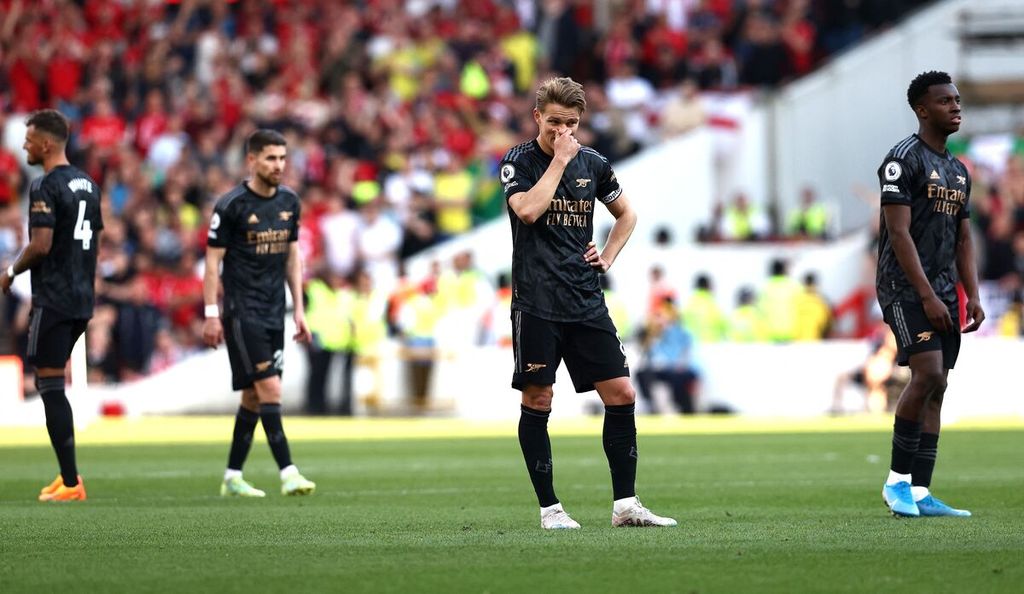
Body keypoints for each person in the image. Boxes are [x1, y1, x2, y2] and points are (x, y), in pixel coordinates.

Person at [500, 77, 676, 530]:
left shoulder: (594, 163)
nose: (563, 131)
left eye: (572, 123)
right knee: (539, 398)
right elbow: (528, 211)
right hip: (537, 301)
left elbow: (627, 213)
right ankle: (550, 509)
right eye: (555, 122)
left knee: (622, 393)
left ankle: (626, 505)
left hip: (584, 299)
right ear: (537, 116)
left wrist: (610, 254)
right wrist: (558, 160)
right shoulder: (518, 161)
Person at [876, 71, 984, 518]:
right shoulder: (902, 160)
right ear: (922, 109)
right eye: (945, 101)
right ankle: (896, 483)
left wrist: (972, 294)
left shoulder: (958, 171)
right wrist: (926, 296)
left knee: (939, 386)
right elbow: (898, 234)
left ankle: (921, 492)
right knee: (927, 375)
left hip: (942, 290)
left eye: (957, 100)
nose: (955, 106)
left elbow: (963, 239)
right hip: (904, 287)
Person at [203, 129, 316, 498]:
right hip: (242, 311)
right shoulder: (231, 205)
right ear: (251, 160)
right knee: (271, 388)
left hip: (273, 311)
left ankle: (232, 476)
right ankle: (289, 473)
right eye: (270, 158)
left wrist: (298, 309)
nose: (278, 165)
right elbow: (211, 263)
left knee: (253, 397)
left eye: (283, 158)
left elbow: (292, 257)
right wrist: (210, 313)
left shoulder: (290, 201)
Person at [1, 109, 104, 502]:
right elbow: (93, 239)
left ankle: (72, 481)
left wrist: (10, 272)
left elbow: (41, 245)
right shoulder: (89, 184)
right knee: (52, 382)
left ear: (46, 143)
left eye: (28, 139)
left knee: (49, 384)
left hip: (56, 296)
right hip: (81, 296)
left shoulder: (45, 185)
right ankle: (67, 477)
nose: (23, 145)